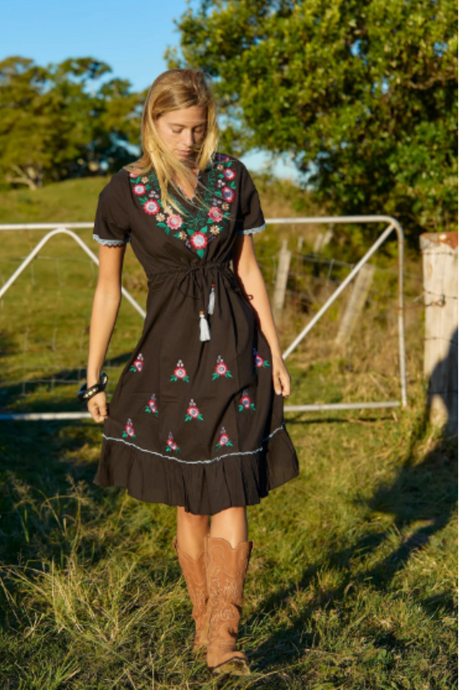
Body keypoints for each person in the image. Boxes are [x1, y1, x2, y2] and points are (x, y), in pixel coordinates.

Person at [82, 68, 299, 676]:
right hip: (167, 362)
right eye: (176, 128)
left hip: (238, 348)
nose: (187, 140)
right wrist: (93, 376)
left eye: (198, 128)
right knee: (191, 500)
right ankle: (203, 619)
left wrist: (276, 352)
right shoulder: (122, 192)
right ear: (151, 122)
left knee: (232, 484)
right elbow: (106, 290)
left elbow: (249, 271)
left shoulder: (231, 177)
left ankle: (224, 637)